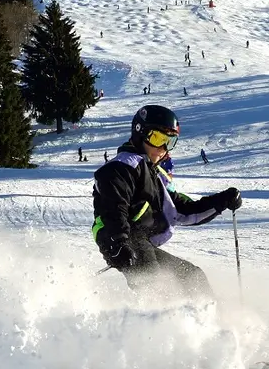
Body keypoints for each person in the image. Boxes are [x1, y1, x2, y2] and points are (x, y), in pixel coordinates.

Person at [92, 105, 242, 298]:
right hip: (123, 240)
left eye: (170, 142)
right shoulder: (121, 168)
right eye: (157, 139)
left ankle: (216, 323)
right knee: (156, 286)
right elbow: (113, 208)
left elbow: (183, 210)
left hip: (140, 242)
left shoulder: (157, 175)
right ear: (140, 133)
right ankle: (157, 325)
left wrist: (222, 201)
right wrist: (118, 244)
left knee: (193, 277)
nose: (163, 149)